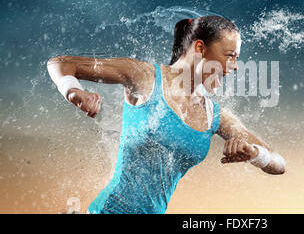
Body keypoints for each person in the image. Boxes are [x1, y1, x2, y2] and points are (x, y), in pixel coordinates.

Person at [47, 15, 286, 214]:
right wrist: (74, 92)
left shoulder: (215, 116)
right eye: (230, 55)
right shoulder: (145, 78)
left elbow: (278, 164)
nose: (234, 66)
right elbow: (60, 63)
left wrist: (255, 154)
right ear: (200, 48)